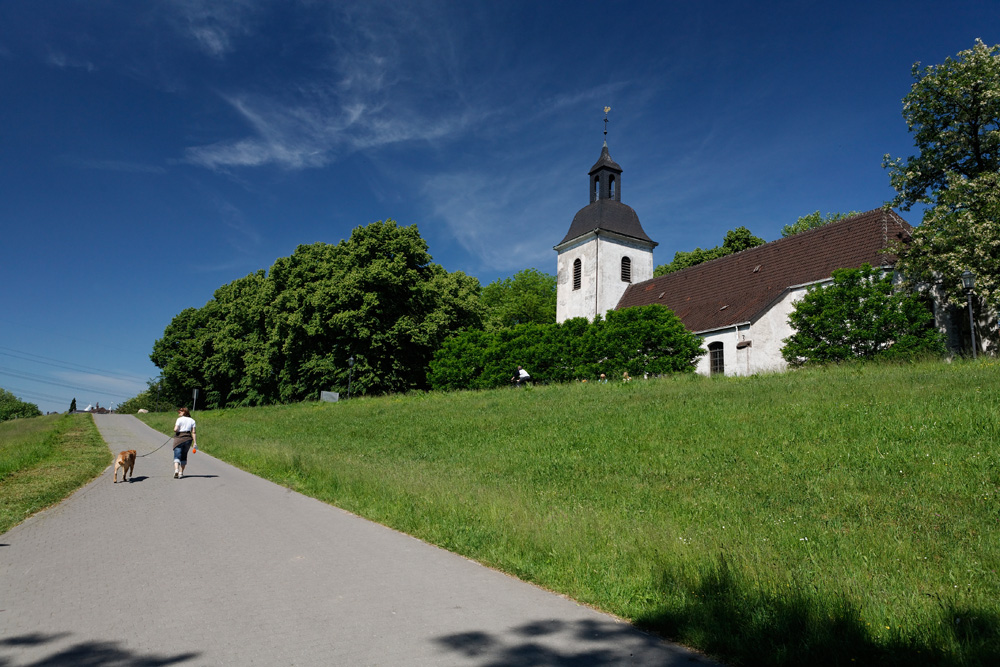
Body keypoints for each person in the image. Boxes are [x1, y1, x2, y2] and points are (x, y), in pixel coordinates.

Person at [173, 407, 197, 479]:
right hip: (188, 439)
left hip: (179, 439)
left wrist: (176, 430)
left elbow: (175, 429)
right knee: (184, 455)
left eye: (180, 411)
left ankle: (176, 470)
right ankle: (181, 473)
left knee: (177, 455)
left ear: (185, 412)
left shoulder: (179, 420)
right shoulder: (192, 420)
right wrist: (195, 442)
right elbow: (194, 432)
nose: (179, 412)